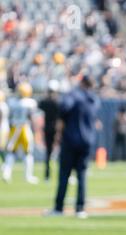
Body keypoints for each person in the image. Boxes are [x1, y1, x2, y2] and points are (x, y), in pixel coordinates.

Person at [45, 75, 101, 219]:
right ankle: (80, 208)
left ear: (81, 82)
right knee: (81, 176)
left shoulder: (74, 95)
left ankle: (58, 208)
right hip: (87, 141)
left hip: (71, 140)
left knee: (64, 174)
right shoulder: (93, 99)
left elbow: (64, 108)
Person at [2, 82, 39, 184]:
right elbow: (31, 117)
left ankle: (6, 173)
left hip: (14, 128)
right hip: (24, 128)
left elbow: (9, 116)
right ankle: (28, 176)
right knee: (28, 153)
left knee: (11, 152)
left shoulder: (12, 102)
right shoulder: (30, 103)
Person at [38, 80, 60, 181]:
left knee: (48, 153)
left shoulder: (45, 102)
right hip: (56, 129)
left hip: (48, 129)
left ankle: (47, 175)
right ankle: (67, 174)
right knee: (61, 152)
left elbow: (40, 104)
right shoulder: (57, 102)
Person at [0, 90, 9, 163]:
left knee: (1, 147)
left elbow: (1, 118)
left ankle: (5, 162)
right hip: (5, 128)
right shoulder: (4, 105)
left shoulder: (2, 106)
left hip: (2, 129)